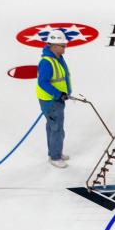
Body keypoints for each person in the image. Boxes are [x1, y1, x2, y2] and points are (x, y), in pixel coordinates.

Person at [36, 29, 73, 168]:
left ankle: (55, 151)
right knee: (56, 128)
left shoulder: (58, 58)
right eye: (62, 45)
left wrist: (66, 92)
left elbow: (62, 77)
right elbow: (43, 82)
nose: (65, 47)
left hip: (58, 99)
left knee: (54, 127)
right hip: (50, 101)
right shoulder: (46, 62)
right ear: (54, 46)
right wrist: (58, 94)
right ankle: (55, 157)